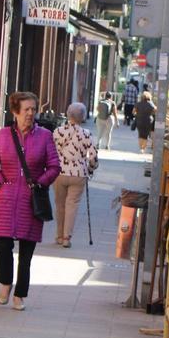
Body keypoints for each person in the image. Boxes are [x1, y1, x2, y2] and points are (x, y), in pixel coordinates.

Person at [0, 91, 61, 310]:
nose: (30, 113)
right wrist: (1, 183)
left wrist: (40, 183)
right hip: (6, 198)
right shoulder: (3, 135)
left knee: (26, 253)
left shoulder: (45, 136)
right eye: (26, 109)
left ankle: (20, 295)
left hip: (31, 200)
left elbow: (54, 166)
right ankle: (5, 283)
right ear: (15, 111)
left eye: (33, 109)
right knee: (3, 245)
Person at [52, 103, 98, 248]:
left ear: (67, 114)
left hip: (59, 172)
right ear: (83, 117)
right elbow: (93, 157)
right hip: (78, 174)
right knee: (72, 205)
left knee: (60, 205)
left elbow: (50, 152)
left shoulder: (57, 131)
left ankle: (59, 236)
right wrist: (91, 169)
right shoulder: (87, 134)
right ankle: (67, 238)